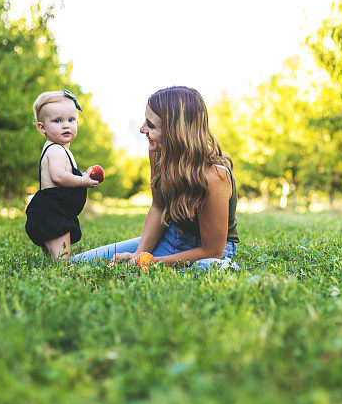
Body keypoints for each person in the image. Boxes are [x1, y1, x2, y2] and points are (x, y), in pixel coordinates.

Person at [71, 86, 239, 270]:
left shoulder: (214, 176)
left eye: (151, 125)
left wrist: (150, 262)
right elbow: (158, 207)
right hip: (172, 236)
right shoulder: (158, 151)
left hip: (208, 252)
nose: (143, 129)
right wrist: (138, 255)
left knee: (206, 268)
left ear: (175, 132)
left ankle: (225, 266)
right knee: (78, 262)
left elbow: (211, 250)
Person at [25, 89, 100, 260]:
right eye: (57, 120)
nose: (66, 125)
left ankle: (51, 268)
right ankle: (59, 274)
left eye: (71, 119)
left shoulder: (61, 148)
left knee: (54, 257)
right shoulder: (56, 150)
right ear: (41, 128)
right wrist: (82, 181)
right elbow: (58, 176)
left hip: (54, 210)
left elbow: (66, 173)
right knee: (62, 260)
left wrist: (82, 174)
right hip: (53, 212)